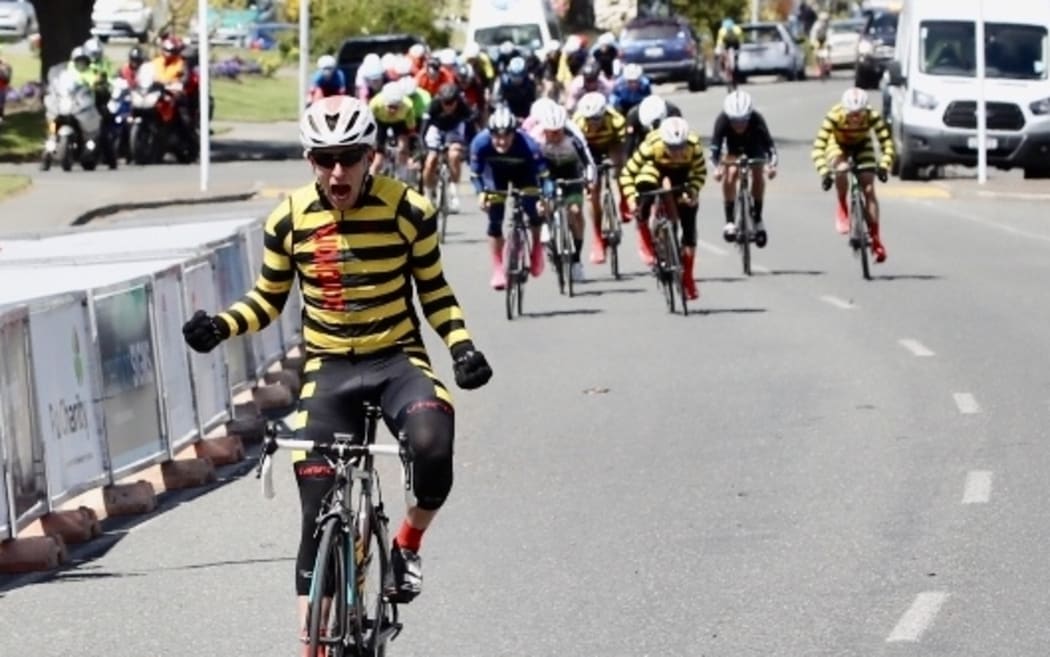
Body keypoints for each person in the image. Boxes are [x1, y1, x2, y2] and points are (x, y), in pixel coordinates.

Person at [181, 95, 492, 657]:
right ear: (309, 160)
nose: (338, 171)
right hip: (327, 369)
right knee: (315, 505)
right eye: (324, 159)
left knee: (432, 445)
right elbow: (268, 300)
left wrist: (463, 347)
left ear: (371, 155)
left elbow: (435, 293)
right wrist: (222, 326)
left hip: (397, 359)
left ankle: (406, 543)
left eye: (349, 157)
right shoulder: (290, 218)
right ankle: (311, 645)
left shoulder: (410, 209)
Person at [619, 116, 707, 299]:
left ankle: (688, 277)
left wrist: (692, 190)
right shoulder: (651, 146)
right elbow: (627, 173)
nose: (676, 152)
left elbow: (700, 173)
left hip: (682, 175)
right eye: (671, 148)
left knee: (689, 227)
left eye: (680, 147)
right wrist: (631, 199)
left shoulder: (694, 146)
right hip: (655, 170)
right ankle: (654, 237)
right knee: (645, 192)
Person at [469, 106, 553, 289]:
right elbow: (475, 175)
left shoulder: (529, 145)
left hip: (524, 174)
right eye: (496, 136)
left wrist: (545, 199)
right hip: (495, 176)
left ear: (515, 133)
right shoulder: (480, 143)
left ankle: (537, 247)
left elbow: (545, 178)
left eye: (507, 135)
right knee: (494, 220)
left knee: (533, 209)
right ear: (489, 134)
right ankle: (498, 268)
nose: (501, 141)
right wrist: (481, 193)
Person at [811, 87, 894, 262]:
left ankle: (876, 238)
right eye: (852, 114)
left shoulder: (872, 116)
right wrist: (825, 173)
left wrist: (884, 165)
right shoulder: (834, 116)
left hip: (862, 144)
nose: (856, 118)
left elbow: (887, 143)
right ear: (844, 110)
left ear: (865, 111)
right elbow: (818, 146)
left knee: (869, 188)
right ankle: (842, 204)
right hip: (838, 144)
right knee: (841, 169)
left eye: (859, 114)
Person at [527, 101, 595, 283]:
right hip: (547, 171)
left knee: (575, 212)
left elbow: (588, 162)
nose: (555, 135)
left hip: (571, 171)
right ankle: (545, 224)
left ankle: (576, 260)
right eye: (551, 132)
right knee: (545, 204)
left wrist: (589, 181)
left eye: (559, 131)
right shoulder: (535, 137)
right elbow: (527, 165)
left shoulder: (574, 137)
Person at [710, 90, 778, 247]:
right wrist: (717, 168)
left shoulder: (757, 119)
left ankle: (758, 218)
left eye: (743, 121)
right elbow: (714, 150)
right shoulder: (722, 121)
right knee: (731, 173)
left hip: (754, 147)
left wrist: (772, 166)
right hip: (732, 150)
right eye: (735, 121)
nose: (739, 125)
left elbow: (770, 147)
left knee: (758, 173)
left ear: (749, 116)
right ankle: (729, 221)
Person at [572, 91, 626, 265]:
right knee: (593, 191)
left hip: (611, 144)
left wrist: (619, 167)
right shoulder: (577, 124)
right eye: (589, 119)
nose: (592, 123)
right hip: (589, 150)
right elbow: (577, 154)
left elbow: (623, 146)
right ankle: (597, 238)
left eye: (596, 119)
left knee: (620, 170)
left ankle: (624, 202)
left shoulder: (616, 121)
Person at [421, 82, 472, 212]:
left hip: (454, 129)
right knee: (431, 160)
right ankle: (428, 195)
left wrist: (468, 149)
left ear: (457, 100)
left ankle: (454, 193)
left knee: (454, 155)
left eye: (451, 103)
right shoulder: (433, 105)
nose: (448, 106)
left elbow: (471, 128)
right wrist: (424, 147)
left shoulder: (462, 105)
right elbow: (423, 130)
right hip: (435, 128)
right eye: (445, 103)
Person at [368, 81, 417, 177]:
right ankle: (371, 178)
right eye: (390, 107)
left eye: (396, 107)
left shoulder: (408, 105)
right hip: (380, 122)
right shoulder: (375, 103)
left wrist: (410, 139)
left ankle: (402, 174)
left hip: (399, 123)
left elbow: (411, 125)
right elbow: (368, 121)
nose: (393, 111)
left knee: (403, 146)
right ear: (384, 102)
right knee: (378, 157)